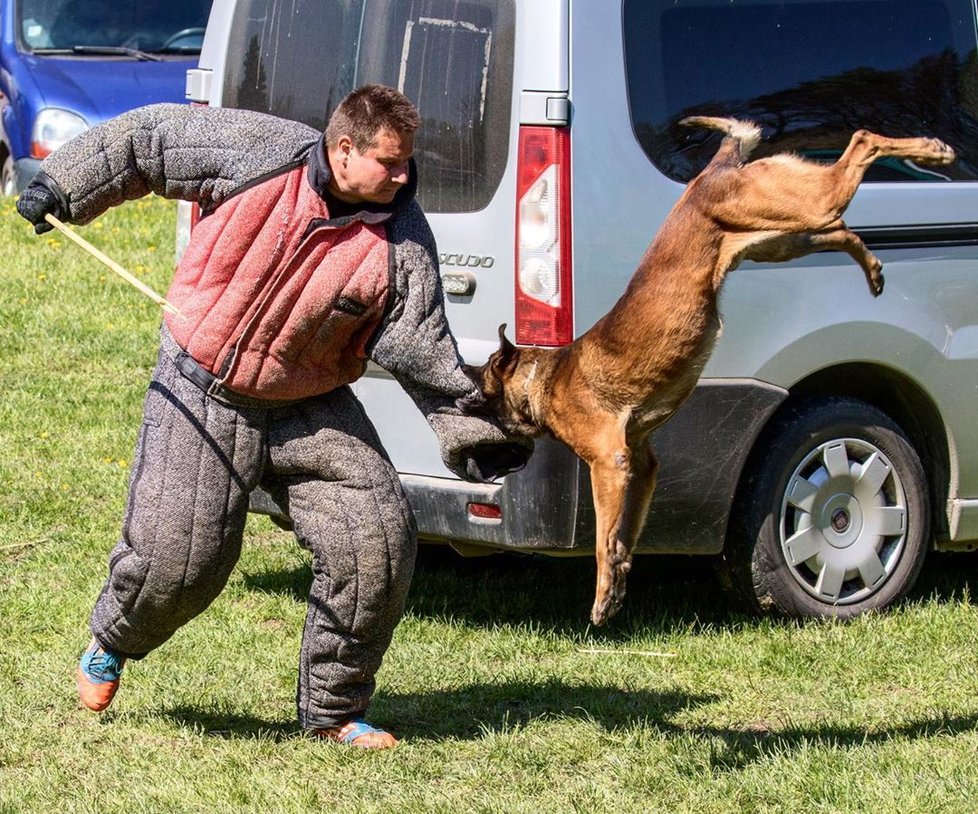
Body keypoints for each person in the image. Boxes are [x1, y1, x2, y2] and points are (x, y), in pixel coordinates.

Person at [16, 85, 530, 750]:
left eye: (408, 163)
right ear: (343, 151)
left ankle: (333, 713)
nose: (407, 177)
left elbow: (423, 350)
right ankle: (113, 639)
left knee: (375, 543)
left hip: (307, 403)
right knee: (179, 567)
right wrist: (63, 185)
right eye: (392, 163)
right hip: (203, 387)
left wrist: (473, 437)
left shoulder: (402, 240)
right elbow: (150, 138)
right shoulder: (258, 153)